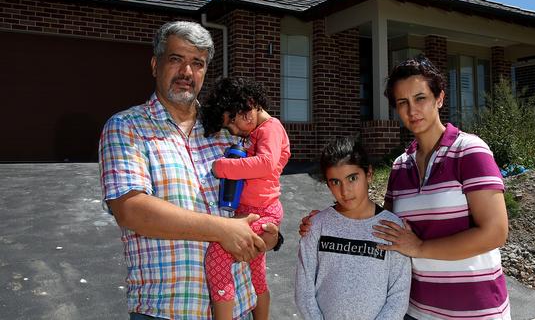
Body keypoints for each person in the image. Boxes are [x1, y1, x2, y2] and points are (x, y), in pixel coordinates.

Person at [300, 55, 510, 320]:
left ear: (439, 98)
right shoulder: (400, 166)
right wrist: (324, 221)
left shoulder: (469, 151)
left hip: (474, 309)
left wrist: (420, 248)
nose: (412, 110)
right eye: (403, 103)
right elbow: (378, 225)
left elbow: (495, 232)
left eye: (420, 98)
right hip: (415, 310)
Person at [99, 21, 279, 320]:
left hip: (239, 307)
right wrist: (223, 229)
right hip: (166, 311)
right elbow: (131, 209)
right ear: (156, 65)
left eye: (197, 63)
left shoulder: (228, 131)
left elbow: (261, 193)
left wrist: (267, 236)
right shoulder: (126, 127)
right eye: (176, 59)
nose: (187, 72)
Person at [201, 77, 290, 320]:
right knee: (257, 277)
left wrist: (223, 167)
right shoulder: (257, 131)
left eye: (233, 122)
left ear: (247, 104)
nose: (235, 130)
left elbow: (266, 163)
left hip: (264, 211)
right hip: (251, 211)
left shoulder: (271, 128)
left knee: (217, 256)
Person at [295, 136, 411, 320]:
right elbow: (304, 290)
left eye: (352, 178)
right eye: (335, 182)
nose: (345, 191)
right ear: (327, 184)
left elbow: (398, 295)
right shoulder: (316, 226)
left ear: (369, 174)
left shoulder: (392, 228)